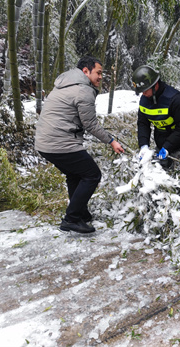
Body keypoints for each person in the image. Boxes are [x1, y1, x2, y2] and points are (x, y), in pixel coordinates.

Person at [35, 56, 124, 234]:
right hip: (59, 142)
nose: (100, 77)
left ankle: (80, 212)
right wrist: (111, 141)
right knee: (92, 175)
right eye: (98, 73)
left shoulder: (65, 84)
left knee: (74, 175)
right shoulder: (83, 90)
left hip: (44, 142)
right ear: (86, 71)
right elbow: (90, 124)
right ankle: (72, 219)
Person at [133, 65, 180, 170]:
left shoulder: (177, 100)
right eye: (141, 91)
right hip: (162, 140)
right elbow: (143, 123)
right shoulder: (145, 100)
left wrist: (167, 147)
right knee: (156, 171)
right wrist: (143, 145)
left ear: (155, 85)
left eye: (145, 90)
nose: (143, 94)